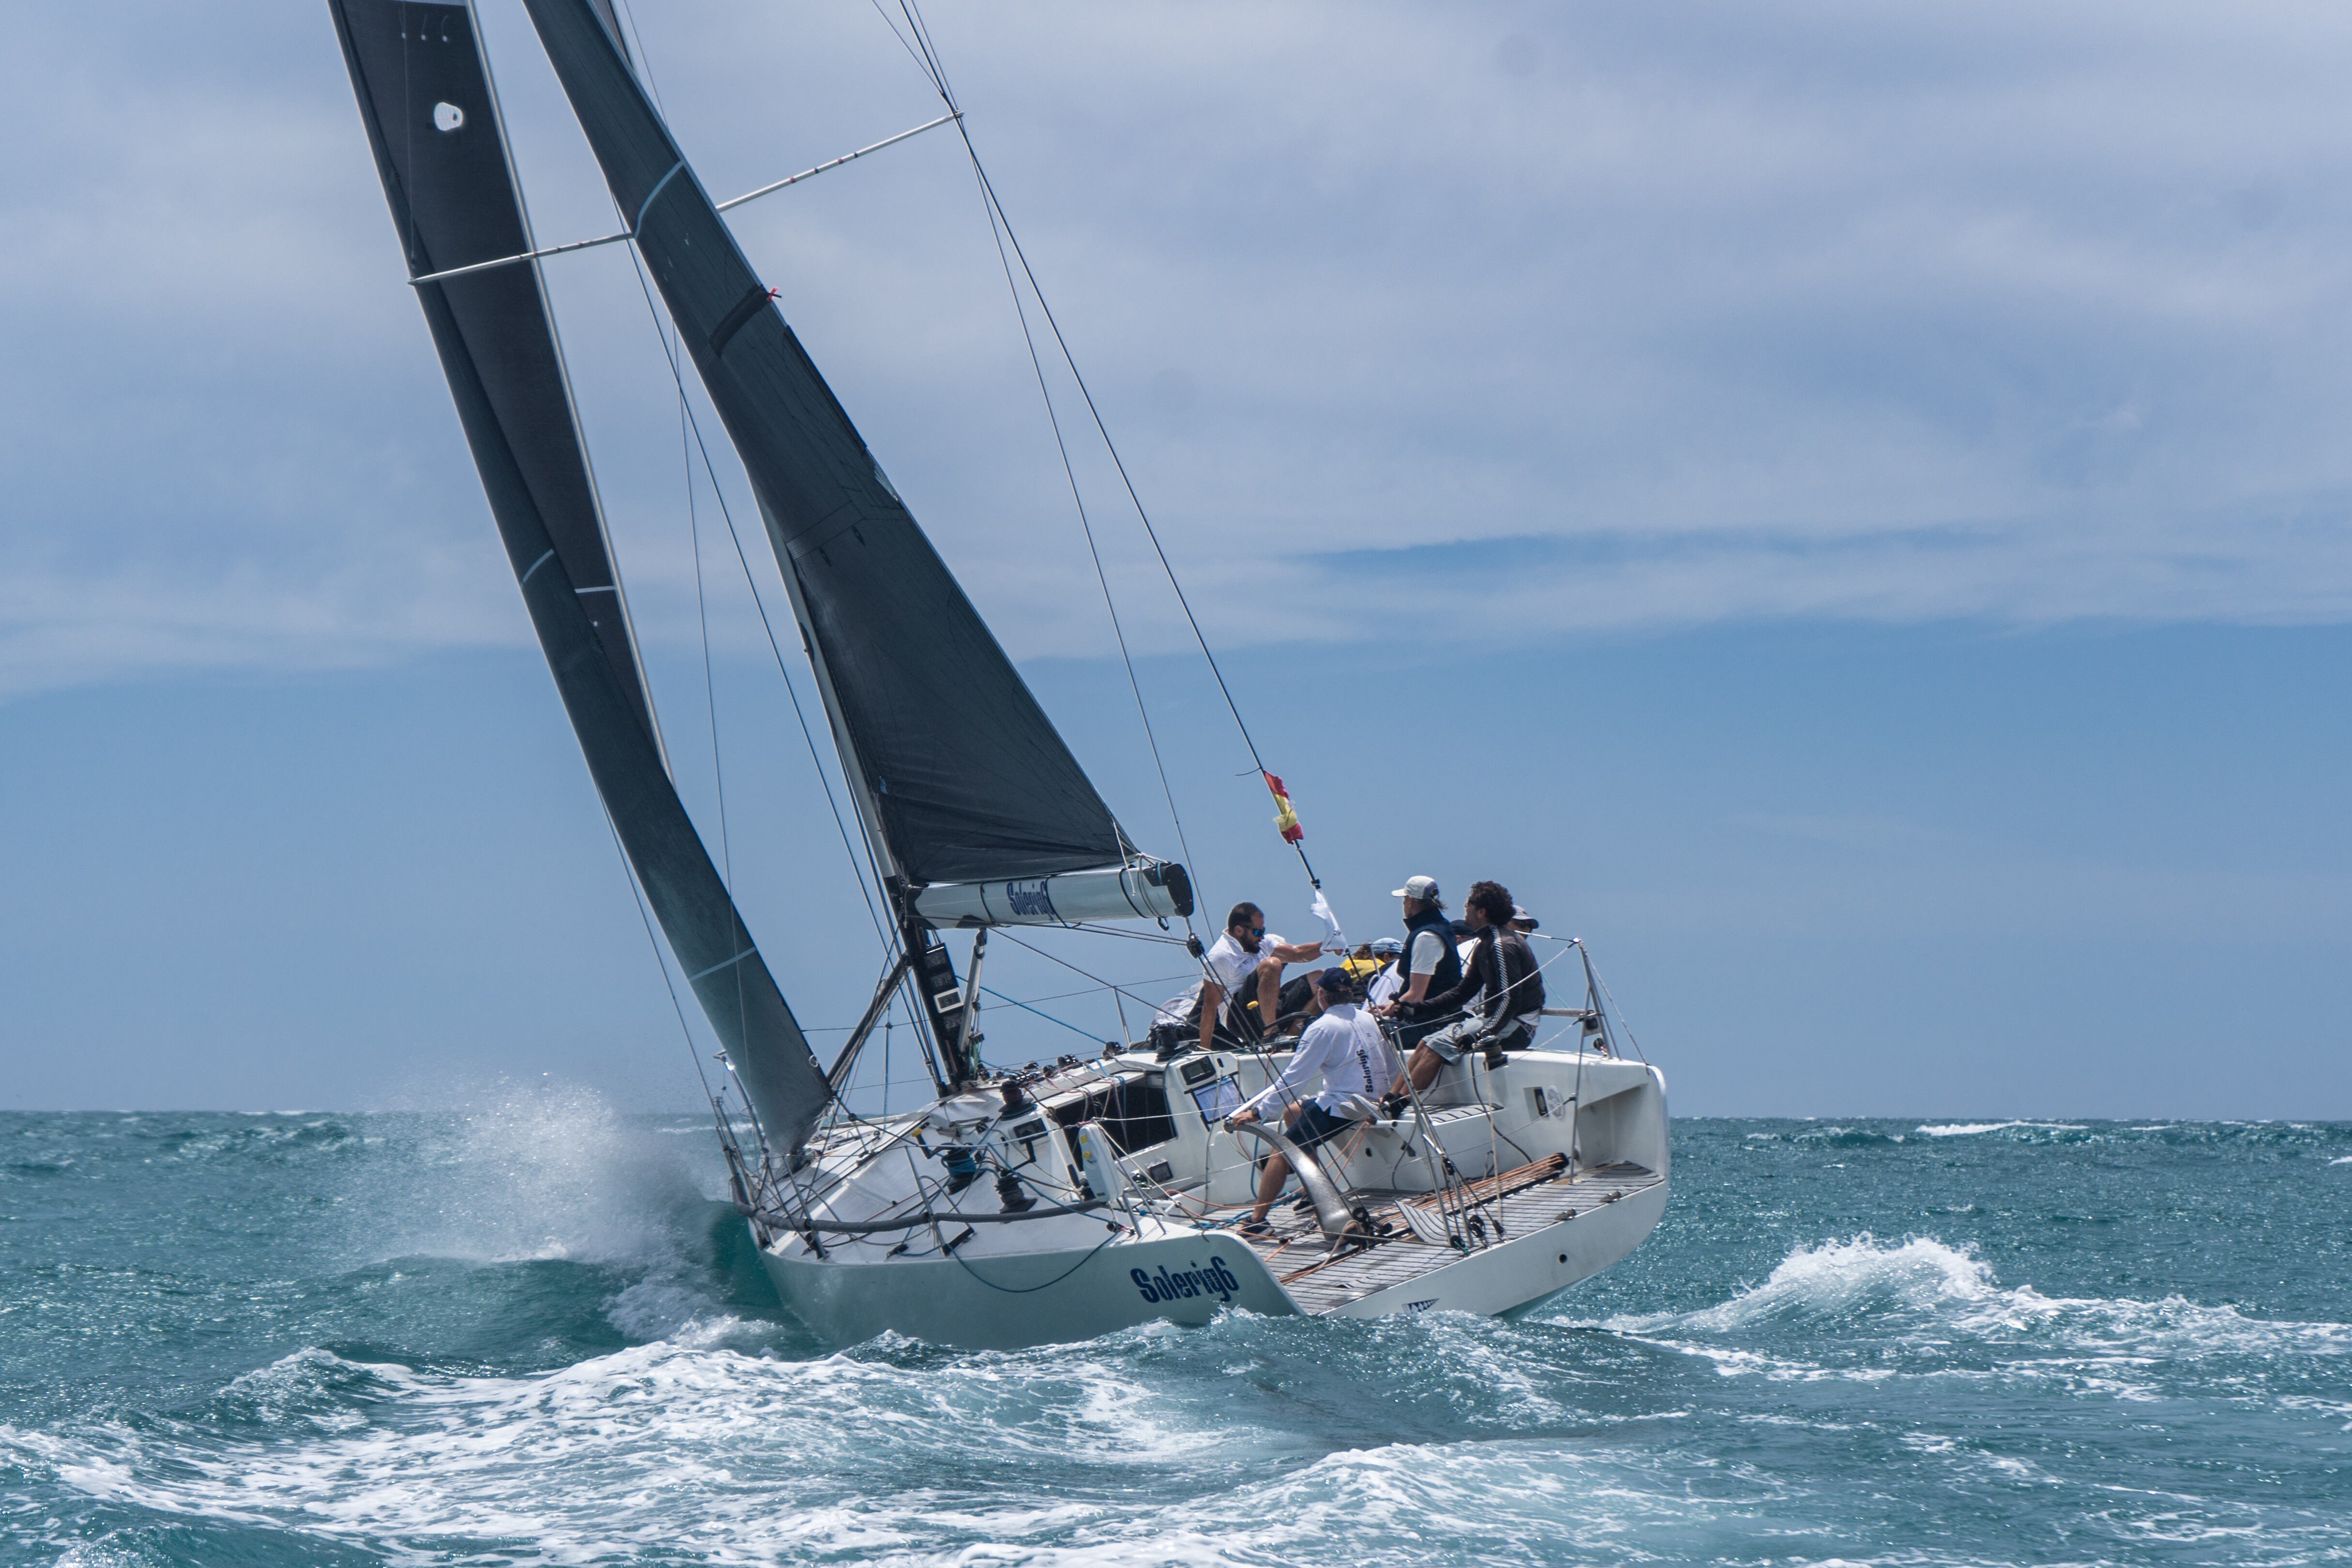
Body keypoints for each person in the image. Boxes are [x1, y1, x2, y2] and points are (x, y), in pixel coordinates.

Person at [1229, 967, 1402, 1235]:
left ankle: (1257, 1222)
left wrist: (1258, 1112)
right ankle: (1314, 1190)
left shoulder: (1321, 1028)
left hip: (1344, 1107)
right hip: (1372, 1099)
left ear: (1321, 995)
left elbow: (1294, 1079)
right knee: (1294, 1112)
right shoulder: (1369, 1019)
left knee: (1283, 1148)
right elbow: (1391, 1064)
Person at [1378, 880, 1546, 1091]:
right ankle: (1390, 1101)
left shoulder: (1502, 945)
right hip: (1494, 1019)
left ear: (1482, 911)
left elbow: (1509, 999)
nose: (1465, 907)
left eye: (1470, 903)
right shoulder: (1487, 943)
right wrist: (1416, 1008)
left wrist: (1482, 1032)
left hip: (1517, 1026)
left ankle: (1400, 1104)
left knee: (1438, 1046)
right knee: (1427, 1042)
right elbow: (1462, 993)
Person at [1178, 901, 1329, 1053]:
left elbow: (1298, 954)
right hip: (1240, 1019)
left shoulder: (1263, 943)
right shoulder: (1220, 956)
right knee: (1272, 964)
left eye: (1263, 930)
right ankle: (1271, 1035)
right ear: (1239, 930)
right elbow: (1209, 1008)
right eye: (1257, 932)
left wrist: (1328, 945)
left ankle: (1289, 1040)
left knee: (1322, 979)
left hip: (1270, 1007)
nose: (1262, 936)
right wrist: (1205, 1051)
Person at [1388, 875, 1463, 1051]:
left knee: (1370, 1033)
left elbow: (1416, 995)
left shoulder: (1426, 937)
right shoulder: (1440, 926)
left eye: (1405, 899)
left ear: (1412, 902)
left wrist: (1380, 1015)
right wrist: (1390, 1006)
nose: (1404, 904)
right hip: (1436, 1019)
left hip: (1431, 1024)